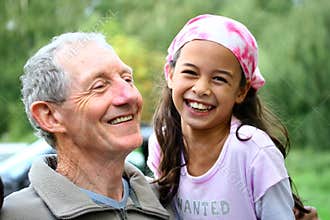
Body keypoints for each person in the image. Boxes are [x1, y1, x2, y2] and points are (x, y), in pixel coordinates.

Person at [147, 14, 314, 219]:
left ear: (241, 91)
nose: (201, 89)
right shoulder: (163, 141)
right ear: (170, 74)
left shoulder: (254, 152)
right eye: (190, 72)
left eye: (219, 79)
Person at [0, 32, 170, 219]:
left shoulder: (168, 202)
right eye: (99, 86)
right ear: (49, 116)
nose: (129, 96)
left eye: (127, 79)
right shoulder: (15, 215)